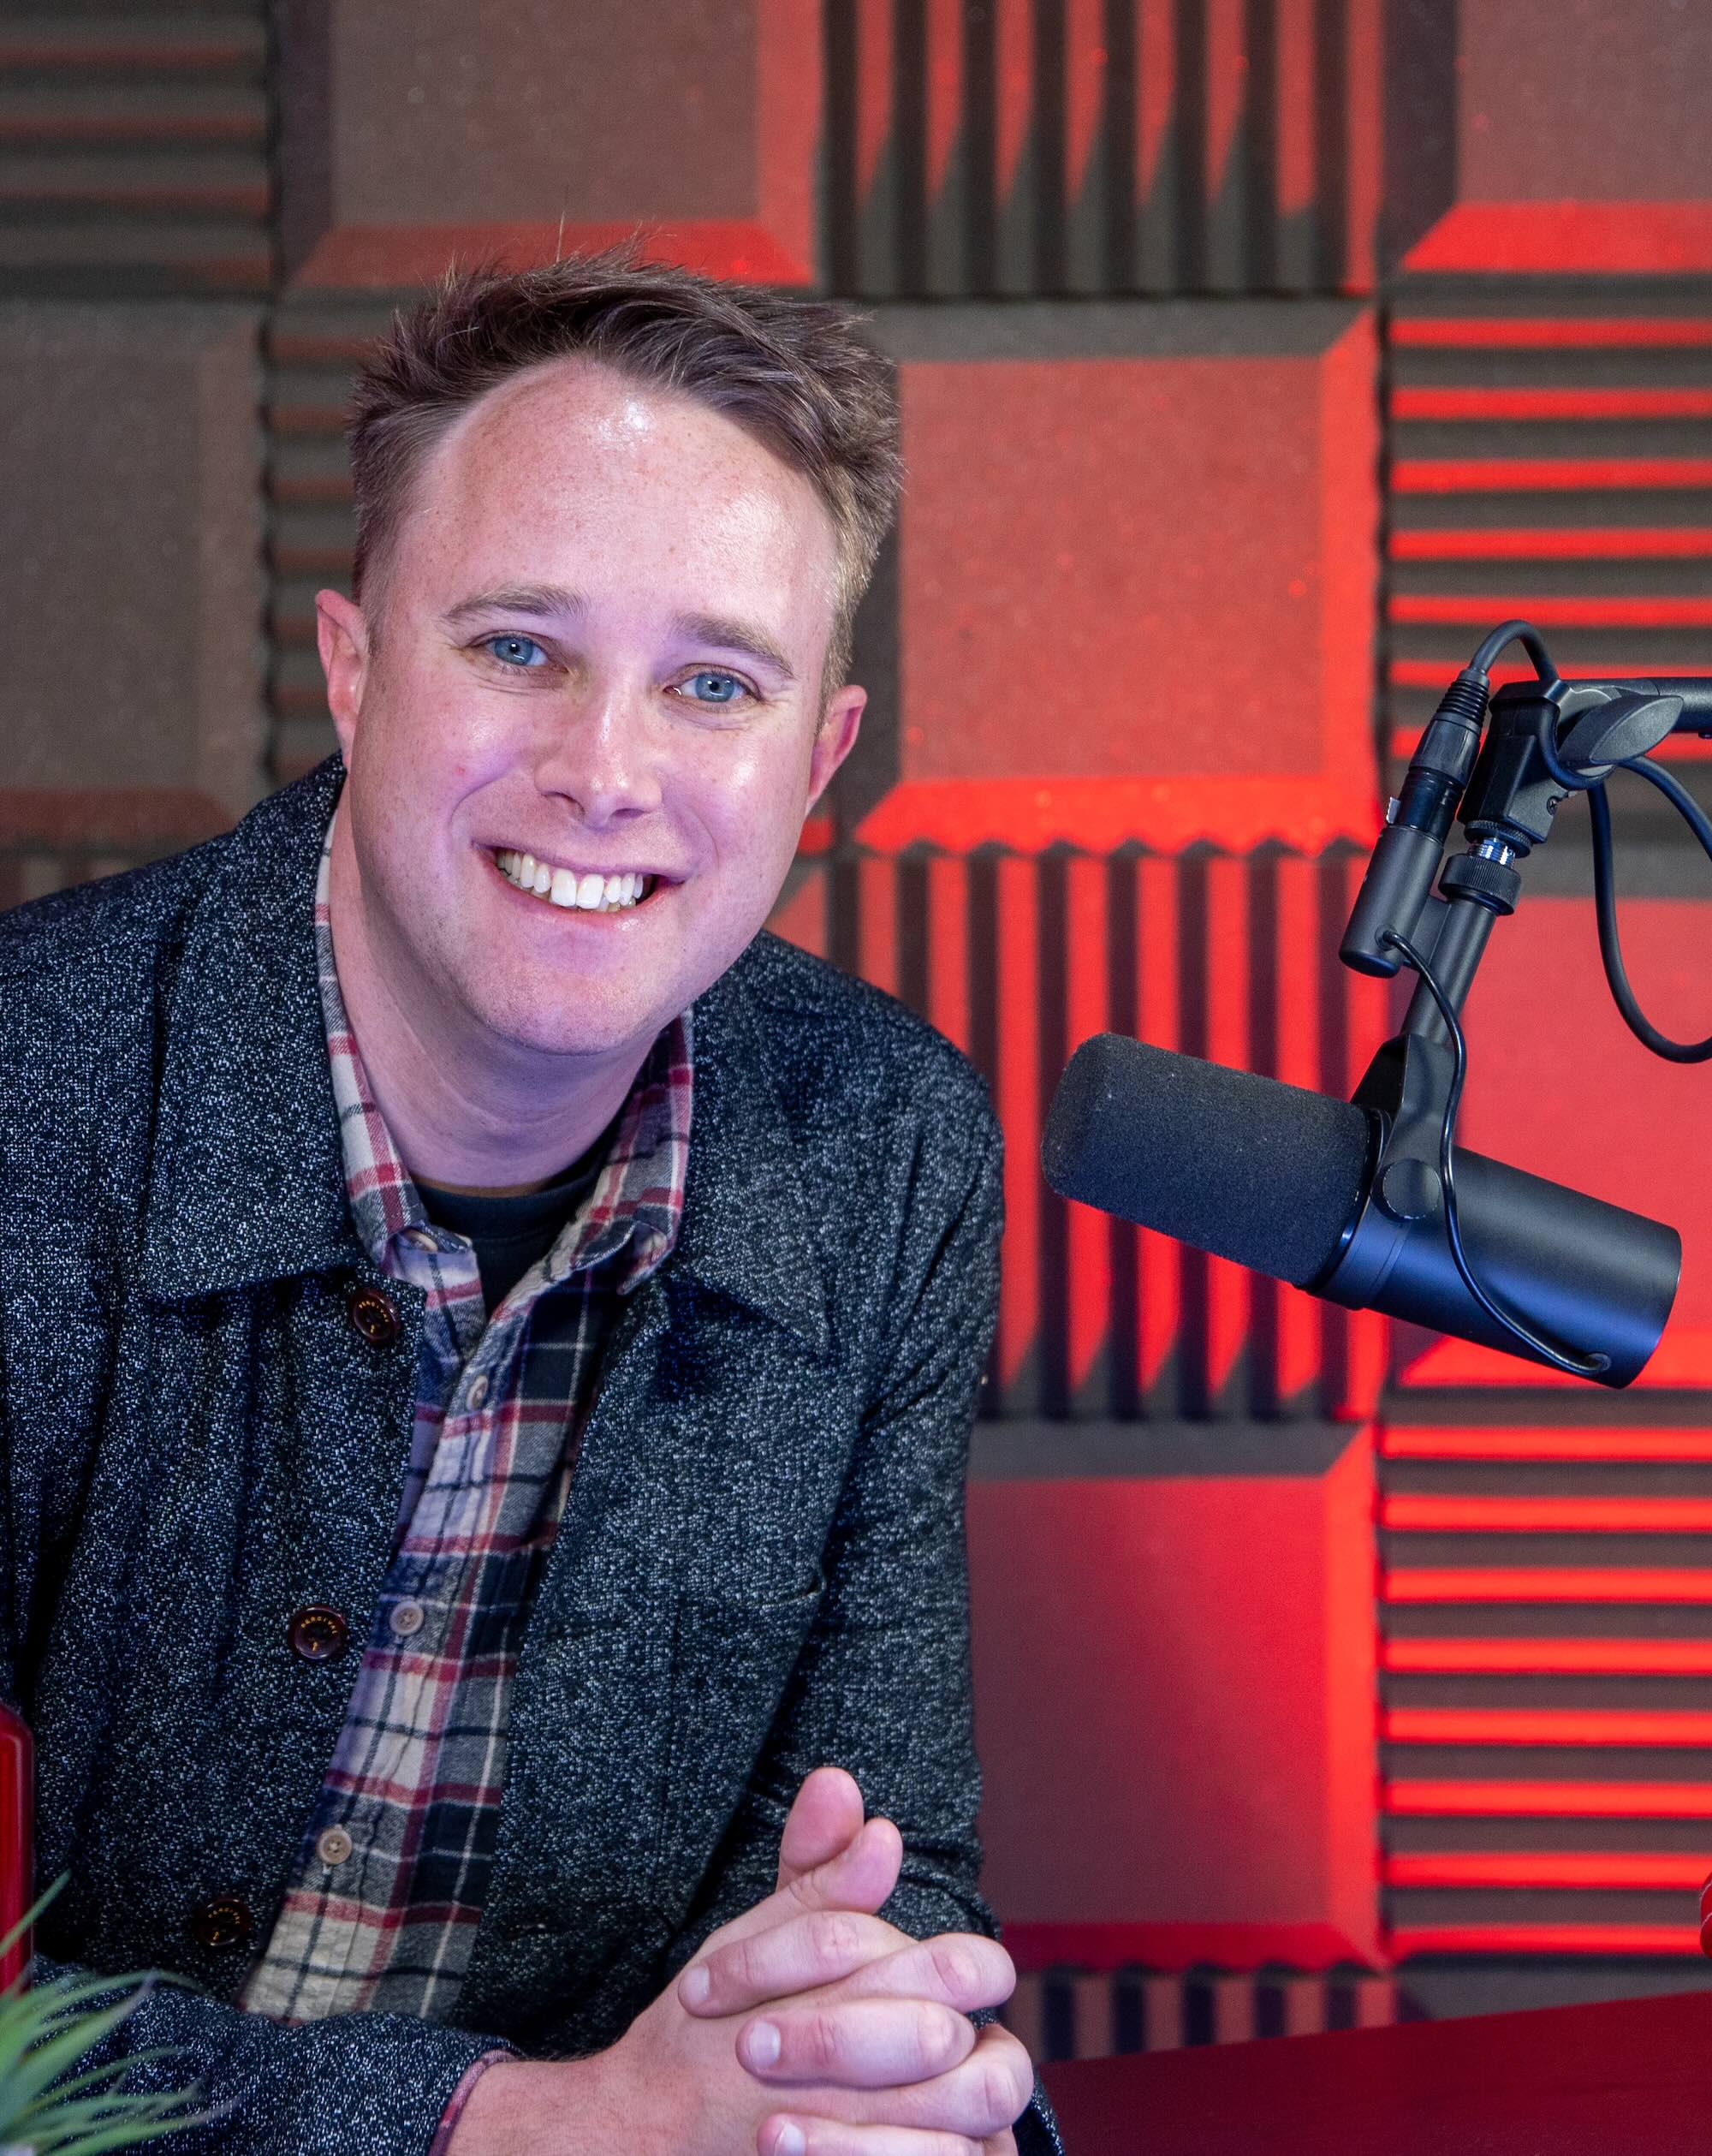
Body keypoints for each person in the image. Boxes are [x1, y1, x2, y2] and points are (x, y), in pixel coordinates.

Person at [0, 249, 1064, 2155]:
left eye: (713, 682)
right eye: (517, 648)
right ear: (350, 664)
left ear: (818, 754)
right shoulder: (27, 1095)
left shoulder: (887, 1145)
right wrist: (515, 2125)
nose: (603, 771)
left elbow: (883, 1861)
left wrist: (879, 2055)